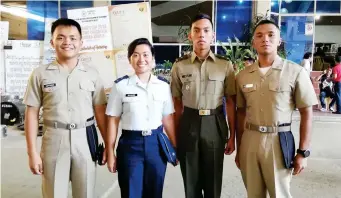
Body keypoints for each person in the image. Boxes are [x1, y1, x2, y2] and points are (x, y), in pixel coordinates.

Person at [23, 18, 107, 198]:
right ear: (52, 42)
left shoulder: (92, 74)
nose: (67, 42)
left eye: (73, 38)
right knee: (54, 193)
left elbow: (100, 111)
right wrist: (32, 153)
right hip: (54, 139)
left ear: (81, 43)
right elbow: (31, 113)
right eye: (60, 38)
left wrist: (108, 145)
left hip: (85, 139)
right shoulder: (39, 74)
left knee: (85, 193)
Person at [235, 19, 318, 198]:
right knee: (253, 194)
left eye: (271, 35)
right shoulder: (242, 76)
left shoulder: (295, 72)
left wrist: (303, 152)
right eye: (260, 35)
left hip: (279, 141)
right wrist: (239, 147)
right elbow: (240, 112)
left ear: (279, 40)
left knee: (279, 194)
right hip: (250, 139)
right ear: (253, 43)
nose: (265, 39)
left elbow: (306, 112)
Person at [170, 13, 236, 198]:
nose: (201, 35)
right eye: (196, 31)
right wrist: (175, 137)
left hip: (215, 123)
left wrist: (232, 136)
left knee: (213, 179)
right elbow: (176, 104)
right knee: (191, 180)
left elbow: (230, 102)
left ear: (212, 35)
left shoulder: (224, 65)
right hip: (188, 122)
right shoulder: (179, 66)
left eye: (206, 31)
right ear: (190, 35)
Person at [105, 38, 177, 198]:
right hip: (130, 145)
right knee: (131, 192)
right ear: (130, 59)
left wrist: (175, 146)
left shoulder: (163, 86)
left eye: (145, 55)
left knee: (155, 191)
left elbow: (168, 119)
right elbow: (112, 120)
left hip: (156, 144)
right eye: (136, 55)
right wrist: (110, 151)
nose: (141, 59)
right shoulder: (120, 87)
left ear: (153, 59)